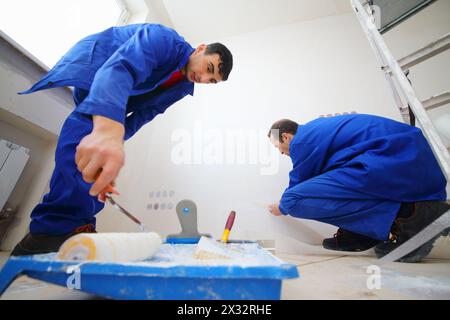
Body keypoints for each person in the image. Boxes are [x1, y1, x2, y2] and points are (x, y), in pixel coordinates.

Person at [11, 23, 233, 256]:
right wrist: (107, 131)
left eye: (211, 80)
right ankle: (47, 233)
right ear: (200, 49)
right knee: (79, 141)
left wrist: (116, 141)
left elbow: (145, 113)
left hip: (118, 96)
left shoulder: (182, 88)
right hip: (99, 69)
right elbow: (121, 67)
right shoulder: (162, 39)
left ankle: (77, 224)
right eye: (208, 68)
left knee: (97, 164)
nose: (204, 77)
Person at [267, 114, 449, 262]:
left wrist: (281, 207)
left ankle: (411, 217)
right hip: (409, 162)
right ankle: (386, 223)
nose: (281, 152)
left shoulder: (302, 140)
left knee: (293, 200)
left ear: (286, 136)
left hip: (392, 160)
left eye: (278, 147)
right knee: (328, 187)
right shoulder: (318, 129)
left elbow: (299, 184)